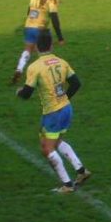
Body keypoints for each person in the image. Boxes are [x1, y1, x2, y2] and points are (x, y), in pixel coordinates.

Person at [16, 31, 90, 193]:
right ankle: (81, 171)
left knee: (47, 149)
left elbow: (27, 94)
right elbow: (76, 83)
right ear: (51, 45)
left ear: (36, 47)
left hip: (53, 114)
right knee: (55, 142)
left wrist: (19, 92)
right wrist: (64, 98)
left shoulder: (35, 67)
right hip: (66, 109)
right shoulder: (61, 62)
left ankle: (67, 185)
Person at [13, 0, 65, 83]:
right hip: (40, 28)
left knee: (28, 49)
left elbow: (29, 11)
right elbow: (54, 17)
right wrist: (60, 37)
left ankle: (19, 69)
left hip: (29, 25)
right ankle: (49, 78)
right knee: (47, 53)